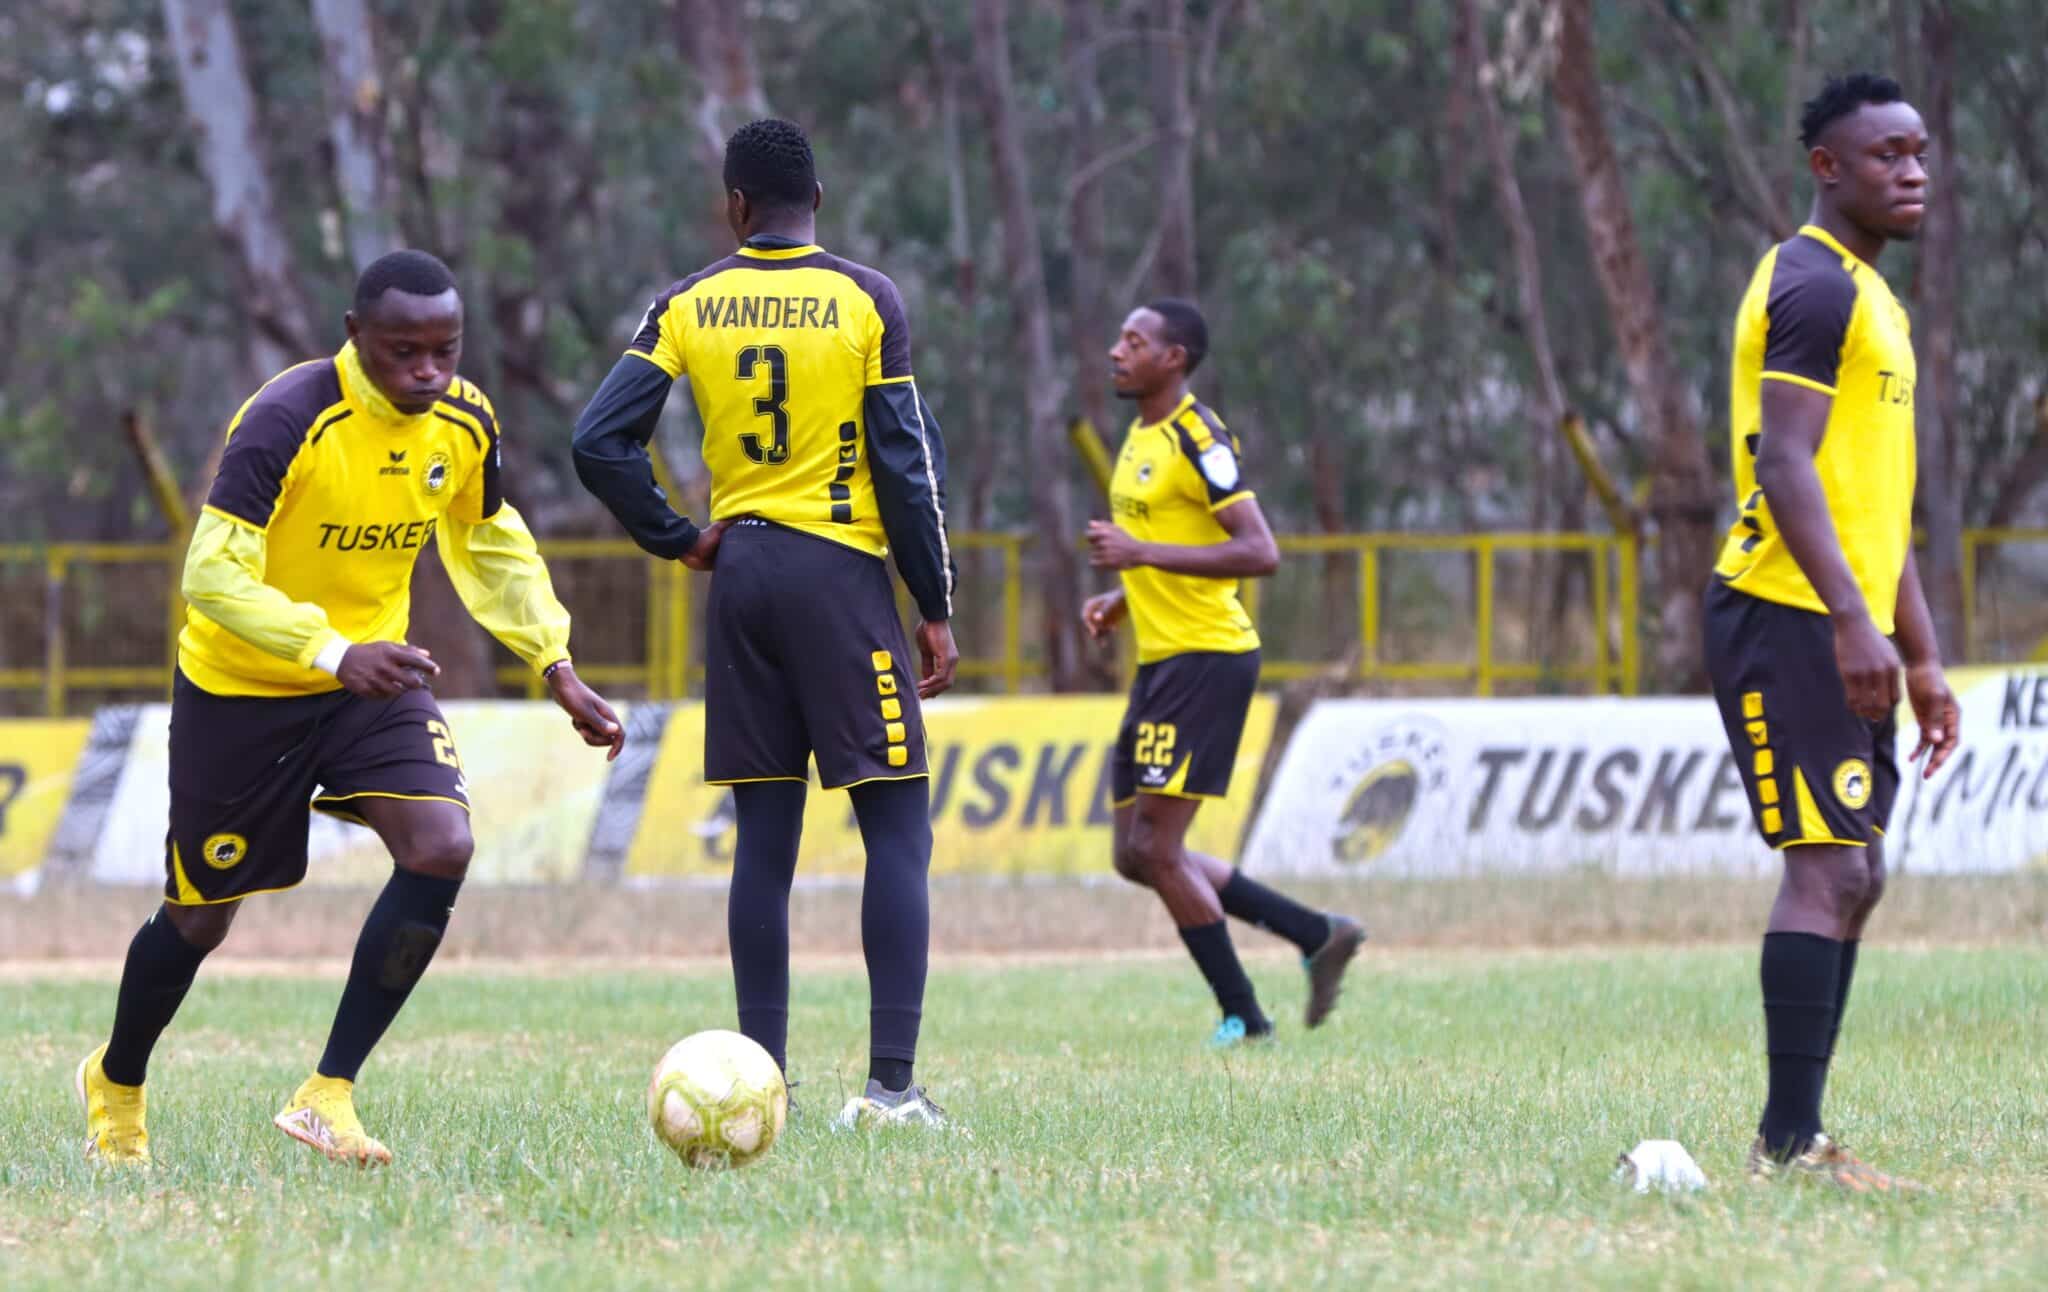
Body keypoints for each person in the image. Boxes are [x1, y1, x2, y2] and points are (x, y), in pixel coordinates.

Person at [76, 250, 624, 1167]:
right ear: (353, 338)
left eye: (445, 350)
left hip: (372, 687)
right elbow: (210, 574)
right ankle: (118, 1081)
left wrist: (553, 661)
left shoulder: (463, 421)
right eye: (404, 351)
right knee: (200, 918)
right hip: (244, 691)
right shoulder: (285, 419)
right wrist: (332, 651)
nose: (427, 371)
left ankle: (329, 1093)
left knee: (442, 846)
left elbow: (491, 542)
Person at [573, 118, 957, 1129]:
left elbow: (597, 440)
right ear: (816, 199)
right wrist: (934, 603)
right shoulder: (865, 298)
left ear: (733, 205)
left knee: (763, 842)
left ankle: (760, 1085)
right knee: (895, 828)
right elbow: (903, 466)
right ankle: (888, 1089)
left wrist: (677, 535)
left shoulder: (688, 302)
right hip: (839, 578)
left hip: (740, 575)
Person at [1705, 73, 1960, 1191]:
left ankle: (1797, 1138)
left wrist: (1919, 649)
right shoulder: (1809, 283)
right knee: (1822, 869)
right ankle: (1790, 1146)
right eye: (1881, 156)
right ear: (1824, 167)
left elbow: (1872, 500)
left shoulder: (1871, 296)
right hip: (1786, 609)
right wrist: (1854, 628)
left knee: (1855, 873)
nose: (1908, 172)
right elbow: (1784, 462)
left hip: (1845, 616)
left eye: (1916, 153)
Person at [1082, 299, 1366, 1049]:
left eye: (1134, 341)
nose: (1117, 351)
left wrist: (1139, 558)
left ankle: (1246, 1017)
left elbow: (1258, 551)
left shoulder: (1199, 437)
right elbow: (1178, 540)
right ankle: (1314, 932)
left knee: (1156, 849)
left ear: (1173, 358)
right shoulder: (1141, 434)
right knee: (1132, 853)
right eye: (1120, 338)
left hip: (1206, 660)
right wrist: (1124, 597)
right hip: (1162, 657)